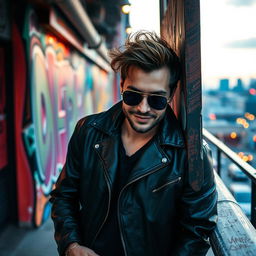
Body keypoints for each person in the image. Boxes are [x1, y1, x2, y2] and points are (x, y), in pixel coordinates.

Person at [50, 31, 218, 256]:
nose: (143, 108)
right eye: (133, 96)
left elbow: (196, 230)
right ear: (121, 85)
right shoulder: (88, 131)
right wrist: (71, 245)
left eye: (157, 100)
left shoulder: (192, 155)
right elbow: (64, 196)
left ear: (172, 94)